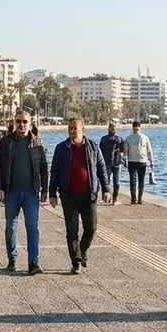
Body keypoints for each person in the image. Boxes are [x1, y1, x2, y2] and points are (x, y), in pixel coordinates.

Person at [49, 117, 110, 274]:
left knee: (91, 227)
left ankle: (81, 252)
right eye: (70, 128)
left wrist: (106, 188)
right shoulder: (61, 148)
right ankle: (75, 261)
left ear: (83, 129)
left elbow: (102, 168)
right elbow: (54, 171)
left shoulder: (93, 147)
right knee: (72, 230)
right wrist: (52, 193)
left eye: (75, 128)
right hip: (69, 195)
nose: (72, 131)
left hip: (89, 195)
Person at [0, 109, 49, 275]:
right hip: (11, 192)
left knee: (32, 227)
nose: (21, 124)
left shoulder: (37, 143)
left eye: (24, 121)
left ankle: (33, 262)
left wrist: (45, 189)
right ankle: (12, 258)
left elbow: (44, 168)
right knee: (11, 226)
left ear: (30, 124)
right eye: (18, 121)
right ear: (14, 123)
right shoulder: (5, 142)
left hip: (31, 193)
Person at [124, 121, 155, 204]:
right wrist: (124, 159)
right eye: (135, 127)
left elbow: (149, 151)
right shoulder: (128, 138)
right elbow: (125, 151)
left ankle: (140, 198)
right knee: (133, 181)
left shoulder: (145, 138)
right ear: (132, 128)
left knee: (141, 181)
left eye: (137, 127)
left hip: (142, 162)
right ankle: (133, 199)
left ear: (140, 127)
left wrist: (152, 162)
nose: (136, 128)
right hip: (132, 161)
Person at [99, 122, 127, 205]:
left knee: (108, 181)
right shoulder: (118, 139)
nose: (114, 129)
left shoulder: (104, 139)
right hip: (113, 163)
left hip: (110, 162)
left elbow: (100, 150)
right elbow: (123, 151)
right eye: (113, 128)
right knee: (114, 182)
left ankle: (110, 198)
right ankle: (112, 198)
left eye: (114, 128)